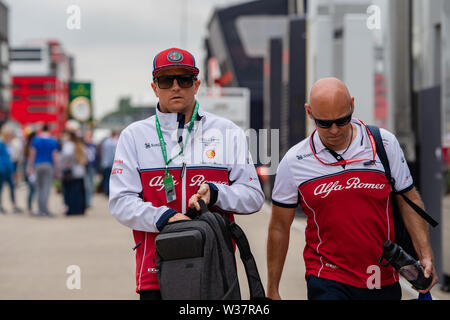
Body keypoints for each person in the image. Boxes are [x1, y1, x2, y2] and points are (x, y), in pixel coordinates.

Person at [109, 47, 264, 300]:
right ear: (154, 86)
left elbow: (253, 197)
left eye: (184, 79)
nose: (176, 86)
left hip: (215, 267)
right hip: (156, 267)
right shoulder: (133, 135)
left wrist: (215, 193)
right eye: (166, 80)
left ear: (197, 84)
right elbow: (120, 202)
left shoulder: (227, 131)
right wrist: (164, 217)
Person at [267, 77, 438, 300]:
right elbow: (279, 227)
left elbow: (410, 201)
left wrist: (425, 255)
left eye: (342, 120)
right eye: (324, 123)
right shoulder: (294, 161)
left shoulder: (384, 144)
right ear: (309, 112)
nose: (335, 130)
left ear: (352, 106)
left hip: (380, 276)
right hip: (327, 277)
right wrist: (272, 289)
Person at [27, 124, 60, 217]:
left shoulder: (36, 140)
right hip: (48, 165)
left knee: (38, 188)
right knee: (46, 188)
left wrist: (29, 167)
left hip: (37, 165)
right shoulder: (53, 140)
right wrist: (57, 169)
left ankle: (40, 210)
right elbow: (55, 155)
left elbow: (32, 154)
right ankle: (45, 209)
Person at [60, 131, 88, 215]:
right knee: (79, 192)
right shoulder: (80, 145)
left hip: (71, 172)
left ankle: (71, 209)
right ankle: (79, 209)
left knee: (70, 192)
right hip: (80, 171)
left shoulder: (68, 145)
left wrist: (65, 163)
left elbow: (66, 155)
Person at [0, 126, 23, 214]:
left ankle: (14, 205)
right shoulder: (1, 144)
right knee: (1, 188)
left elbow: (13, 158)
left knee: (12, 187)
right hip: (2, 170)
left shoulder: (11, 144)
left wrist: (14, 170)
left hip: (9, 169)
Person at [100, 130, 119, 196]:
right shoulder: (113, 143)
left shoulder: (105, 142)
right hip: (110, 164)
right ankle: (108, 192)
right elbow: (113, 155)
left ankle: (106, 191)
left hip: (104, 163)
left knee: (105, 178)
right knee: (109, 179)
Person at [83, 129, 97, 208]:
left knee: (91, 185)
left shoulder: (93, 145)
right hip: (86, 167)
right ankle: (87, 202)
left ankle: (88, 201)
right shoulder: (83, 144)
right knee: (87, 185)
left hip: (92, 166)